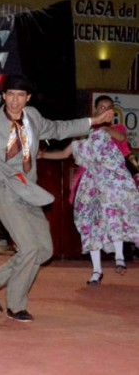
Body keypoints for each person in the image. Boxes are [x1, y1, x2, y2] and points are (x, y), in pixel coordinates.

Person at [0, 74, 112, 323]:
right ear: (3, 96)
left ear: (28, 98)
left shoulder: (33, 117)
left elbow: (58, 128)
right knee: (29, 247)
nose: (14, 100)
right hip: (5, 193)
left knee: (44, 250)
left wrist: (93, 121)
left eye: (20, 95)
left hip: (29, 192)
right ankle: (14, 303)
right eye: (10, 94)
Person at [39, 95, 139, 285]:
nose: (105, 110)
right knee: (89, 222)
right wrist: (43, 155)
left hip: (112, 181)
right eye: (102, 107)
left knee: (113, 210)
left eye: (109, 107)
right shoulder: (85, 134)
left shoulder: (115, 129)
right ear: (95, 109)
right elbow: (65, 152)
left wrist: (104, 127)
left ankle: (119, 256)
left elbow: (121, 138)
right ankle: (96, 271)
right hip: (91, 183)